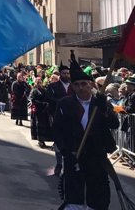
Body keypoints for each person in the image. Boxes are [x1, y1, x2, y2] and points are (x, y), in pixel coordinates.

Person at [52, 58, 119, 210]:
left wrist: (104, 110)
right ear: (73, 87)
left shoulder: (100, 103)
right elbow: (57, 130)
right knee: (74, 197)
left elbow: (114, 124)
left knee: (99, 196)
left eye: (84, 83)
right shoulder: (65, 104)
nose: (81, 87)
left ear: (91, 84)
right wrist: (64, 151)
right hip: (74, 154)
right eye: (76, 84)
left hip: (96, 155)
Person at [47, 62, 73, 176]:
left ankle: (69, 165)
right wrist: (61, 102)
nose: (66, 75)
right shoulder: (53, 86)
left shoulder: (74, 86)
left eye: (68, 73)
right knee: (58, 141)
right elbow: (49, 98)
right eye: (64, 73)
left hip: (72, 119)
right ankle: (59, 164)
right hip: (58, 117)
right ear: (60, 74)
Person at [29, 77, 53, 148]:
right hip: (37, 110)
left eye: (40, 82)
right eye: (38, 82)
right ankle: (40, 140)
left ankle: (43, 139)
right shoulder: (34, 91)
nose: (39, 84)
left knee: (44, 126)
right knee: (38, 125)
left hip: (44, 111)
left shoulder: (44, 90)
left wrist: (47, 103)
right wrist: (42, 103)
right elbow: (32, 100)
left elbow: (48, 98)